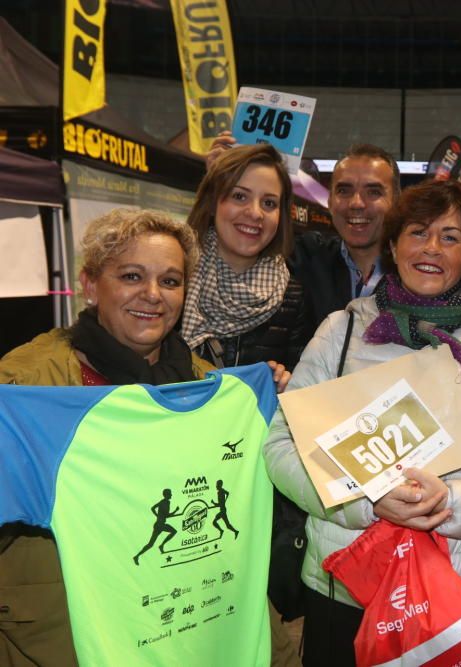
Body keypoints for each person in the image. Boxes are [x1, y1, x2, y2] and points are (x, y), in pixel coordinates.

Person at [263, 179, 461, 667]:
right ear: (393, 245)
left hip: (454, 592)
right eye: (417, 232)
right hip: (345, 585)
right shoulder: (341, 330)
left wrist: (453, 502)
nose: (432, 248)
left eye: (451, 237)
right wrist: (368, 501)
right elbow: (281, 445)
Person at [0, 208, 296, 666]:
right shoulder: (27, 388)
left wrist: (275, 410)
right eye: (132, 276)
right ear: (91, 284)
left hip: (193, 622)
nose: (153, 296)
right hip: (67, 634)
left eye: (171, 281)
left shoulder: (211, 387)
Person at [207, 135, 400, 334]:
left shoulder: (414, 272)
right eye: (344, 190)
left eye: (374, 192)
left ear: (397, 201)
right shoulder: (301, 258)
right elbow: (230, 262)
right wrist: (221, 182)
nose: (356, 203)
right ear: (330, 201)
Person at [182, 143, 311, 371]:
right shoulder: (177, 279)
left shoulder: (292, 297)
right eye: (239, 196)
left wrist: (285, 383)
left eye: (269, 203)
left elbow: (299, 386)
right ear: (212, 203)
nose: (254, 213)